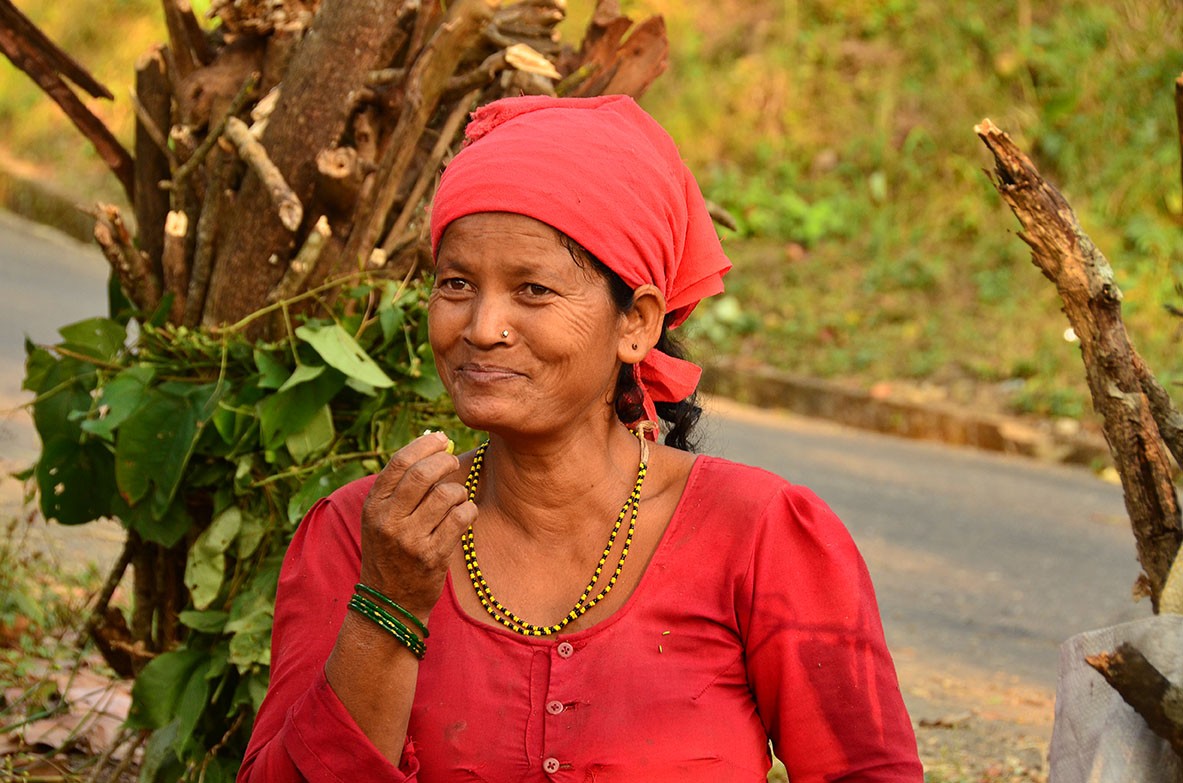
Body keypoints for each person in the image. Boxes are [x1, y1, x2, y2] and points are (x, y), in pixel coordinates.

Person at [238, 94, 923, 782]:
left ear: (637, 324)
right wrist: (387, 602)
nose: (481, 326)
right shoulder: (368, 535)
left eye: (532, 289)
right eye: (455, 283)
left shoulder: (761, 534)